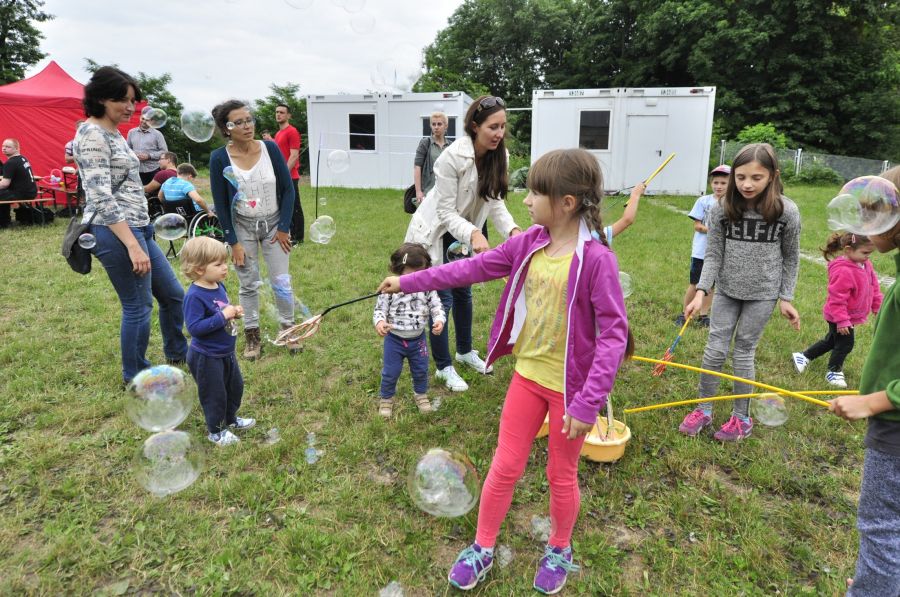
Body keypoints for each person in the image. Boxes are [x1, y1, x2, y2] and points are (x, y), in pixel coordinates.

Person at [379, 148, 632, 594]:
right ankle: (482, 546)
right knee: (505, 464)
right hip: (528, 378)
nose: (527, 202)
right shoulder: (529, 242)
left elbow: (613, 336)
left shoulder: (597, 261)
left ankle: (560, 548)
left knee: (561, 474)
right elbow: (472, 267)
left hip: (571, 392)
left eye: (536, 193)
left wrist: (588, 402)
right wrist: (408, 280)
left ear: (567, 202)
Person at [73, 66, 187, 385]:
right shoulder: (93, 135)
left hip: (139, 226)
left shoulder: (113, 132)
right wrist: (132, 244)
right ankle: (135, 375)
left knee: (173, 294)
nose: (130, 107)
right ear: (99, 98)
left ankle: (178, 353)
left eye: (133, 100)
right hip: (115, 233)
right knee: (138, 306)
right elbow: (100, 197)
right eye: (122, 100)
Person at [679, 143, 801, 441]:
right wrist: (701, 291)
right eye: (741, 176)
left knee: (744, 352)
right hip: (727, 292)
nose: (747, 184)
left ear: (773, 176)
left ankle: (740, 418)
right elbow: (713, 254)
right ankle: (704, 409)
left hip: (763, 295)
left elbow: (791, 256)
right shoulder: (722, 208)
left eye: (756, 178)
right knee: (714, 350)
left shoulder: (787, 211)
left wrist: (785, 297)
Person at [405, 95, 522, 393]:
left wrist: (512, 230)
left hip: (465, 230)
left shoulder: (500, 156)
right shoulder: (451, 158)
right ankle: (444, 366)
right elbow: (445, 213)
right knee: (441, 300)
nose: (498, 134)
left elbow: (495, 203)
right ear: (474, 126)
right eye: (492, 127)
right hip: (437, 231)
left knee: (464, 294)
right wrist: (472, 233)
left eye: (502, 127)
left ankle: (465, 351)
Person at [828, 166, 900, 597]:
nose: (860, 227)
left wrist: (877, 401)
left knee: (880, 528)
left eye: (871, 215)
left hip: (895, 430)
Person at [208, 99, 298, 359]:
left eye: (249, 120)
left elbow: (288, 189)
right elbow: (222, 205)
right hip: (242, 226)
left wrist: (283, 227)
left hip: (274, 224)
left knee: (281, 280)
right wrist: (232, 241)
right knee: (248, 284)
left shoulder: (269, 148)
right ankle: (252, 338)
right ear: (226, 128)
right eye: (239, 122)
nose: (247, 126)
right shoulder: (219, 158)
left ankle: (288, 330)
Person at [180, 236, 255, 446]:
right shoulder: (194, 296)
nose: (225, 267)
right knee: (215, 394)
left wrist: (233, 313)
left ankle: (230, 419)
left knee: (235, 387)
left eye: (225, 262)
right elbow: (194, 328)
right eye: (219, 264)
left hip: (226, 351)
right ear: (199, 269)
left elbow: (221, 310)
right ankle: (216, 431)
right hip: (206, 356)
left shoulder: (218, 286)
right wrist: (223, 316)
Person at [792, 232, 882, 388]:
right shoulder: (843, 271)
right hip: (838, 316)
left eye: (870, 253)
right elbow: (836, 300)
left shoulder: (866, 264)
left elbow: (874, 287)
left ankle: (803, 356)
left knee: (832, 341)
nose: (868, 256)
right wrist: (842, 321)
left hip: (848, 317)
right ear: (848, 250)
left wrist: (878, 307)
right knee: (846, 343)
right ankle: (833, 371)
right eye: (865, 252)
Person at [373, 243, 446, 418]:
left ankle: (421, 395)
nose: (414, 279)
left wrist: (439, 320)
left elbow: (437, 306)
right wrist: (380, 322)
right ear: (399, 270)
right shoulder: (391, 288)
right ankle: (386, 399)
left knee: (421, 370)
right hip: (394, 340)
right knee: (390, 372)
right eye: (409, 275)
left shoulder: (427, 288)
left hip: (418, 339)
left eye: (419, 274)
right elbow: (379, 310)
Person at [675, 164, 731, 327]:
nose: (718, 186)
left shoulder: (732, 203)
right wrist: (717, 230)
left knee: (711, 284)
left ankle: (704, 314)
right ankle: (685, 312)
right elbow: (698, 226)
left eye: (723, 183)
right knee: (696, 283)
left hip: (720, 252)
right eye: (716, 182)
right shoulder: (703, 201)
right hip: (701, 252)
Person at [273, 103, 305, 244]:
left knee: (294, 207)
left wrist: (284, 174)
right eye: (277, 112)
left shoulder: (292, 131)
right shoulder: (278, 133)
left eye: (282, 112)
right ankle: (290, 234)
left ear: (288, 115)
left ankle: (298, 238)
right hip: (280, 176)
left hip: (290, 177)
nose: (278, 114)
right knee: (284, 206)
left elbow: (294, 156)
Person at [413, 111, 450, 206]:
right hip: (428, 191)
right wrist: (418, 192)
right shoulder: (425, 143)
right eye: (433, 124)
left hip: (447, 192)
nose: (436, 127)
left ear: (446, 126)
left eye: (439, 124)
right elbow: (417, 167)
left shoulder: (451, 145)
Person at [0, 138, 38, 228]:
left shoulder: (11, 162)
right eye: (3, 146)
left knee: (2, 193)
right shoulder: (22, 158)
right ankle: (4, 221)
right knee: (3, 194)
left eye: (8, 147)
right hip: (31, 191)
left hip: (22, 193)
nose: (4, 148)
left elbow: (5, 184)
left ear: (16, 149)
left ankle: (3, 222)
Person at [127, 111, 168, 185]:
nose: (144, 121)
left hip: (153, 169)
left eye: (147, 119)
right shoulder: (131, 132)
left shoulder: (158, 134)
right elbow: (127, 149)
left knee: (153, 194)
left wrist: (149, 156)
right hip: (136, 169)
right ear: (140, 118)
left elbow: (164, 152)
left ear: (152, 121)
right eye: (143, 119)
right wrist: (134, 155)